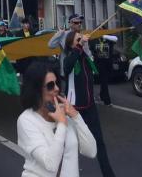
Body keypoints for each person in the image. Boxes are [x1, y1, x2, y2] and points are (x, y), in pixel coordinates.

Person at [17, 61, 96, 177]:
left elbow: (91, 151)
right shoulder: (27, 120)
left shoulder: (65, 115)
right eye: (50, 85)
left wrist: (76, 116)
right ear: (36, 90)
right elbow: (51, 164)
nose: (57, 88)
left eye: (57, 83)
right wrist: (62, 124)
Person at [64, 31, 115, 177]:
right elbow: (67, 68)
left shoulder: (85, 56)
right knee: (70, 145)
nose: (82, 40)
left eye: (82, 37)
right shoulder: (69, 57)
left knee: (99, 142)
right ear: (71, 43)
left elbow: (96, 69)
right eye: (78, 39)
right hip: (74, 109)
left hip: (89, 106)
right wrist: (79, 46)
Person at [48, 14, 91, 91]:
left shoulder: (83, 36)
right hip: (67, 68)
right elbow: (51, 45)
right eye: (76, 23)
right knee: (69, 92)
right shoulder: (64, 34)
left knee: (80, 91)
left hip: (80, 69)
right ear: (70, 23)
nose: (79, 24)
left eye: (80, 22)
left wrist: (85, 45)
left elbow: (87, 54)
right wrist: (58, 34)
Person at [90, 34, 118, 106]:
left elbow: (116, 38)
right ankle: (107, 101)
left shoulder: (109, 39)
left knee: (104, 82)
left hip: (108, 64)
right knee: (104, 81)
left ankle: (102, 96)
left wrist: (104, 36)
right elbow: (90, 50)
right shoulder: (94, 40)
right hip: (98, 64)